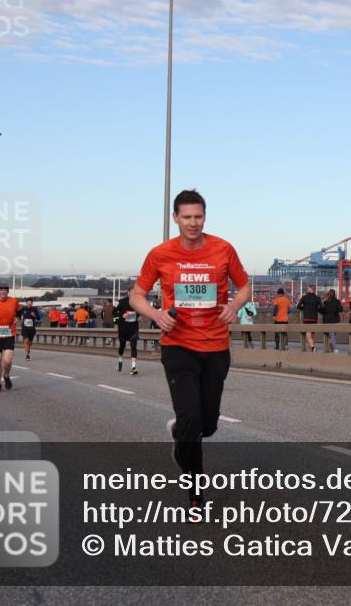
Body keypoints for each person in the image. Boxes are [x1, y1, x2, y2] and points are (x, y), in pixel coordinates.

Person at [129, 189, 250, 513]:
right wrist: (156, 315)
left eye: (198, 217)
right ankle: (196, 496)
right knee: (191, 420)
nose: (193, 223)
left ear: (204, 217)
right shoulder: (161, 254)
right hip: (178, 345)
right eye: (187, 217)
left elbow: (245, 286)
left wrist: (234, 306)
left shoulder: (223, 249)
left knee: (207, 425)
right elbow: (137, 295)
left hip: (215, 346)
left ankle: (179, 433)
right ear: (176, 218)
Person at [113, 293, 141, 375]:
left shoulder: (138, 302)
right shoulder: (120, 301)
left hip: (133, 328)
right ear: (128, 292)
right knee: (122, 346)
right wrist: (122, 315)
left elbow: (140, 312)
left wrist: (139, 316)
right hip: (123, 328)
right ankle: (120, 361)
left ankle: (133, 367)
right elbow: (113, 312)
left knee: (133, 346)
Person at [297, 285, 323, 352]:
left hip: (307, 317)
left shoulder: (304, 297)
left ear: (311, 289)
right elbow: (321, 307)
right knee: (312, 334)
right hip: (314, 318)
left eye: (308, 288)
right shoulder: (318, 298)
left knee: (308, 334)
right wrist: (315, 309)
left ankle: (312, 347)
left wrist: (304, 308)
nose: (307, 289)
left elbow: (298, 306)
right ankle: (311, 349)